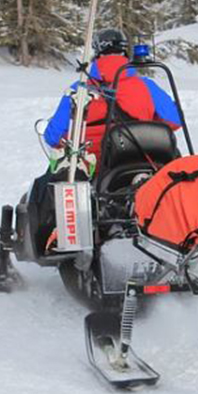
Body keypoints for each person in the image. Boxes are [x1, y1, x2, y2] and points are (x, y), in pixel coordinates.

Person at [30, 28, 181, 253]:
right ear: (124, 52)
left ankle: (49, 243)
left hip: (96, 166)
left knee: (46, 186)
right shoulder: (146, 86)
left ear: (97, 53)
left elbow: (53, 136)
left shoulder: (79, 89)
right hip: (146, 160)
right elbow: (174, 120)